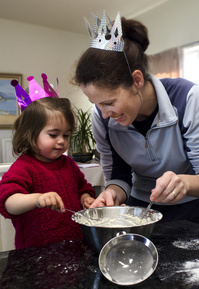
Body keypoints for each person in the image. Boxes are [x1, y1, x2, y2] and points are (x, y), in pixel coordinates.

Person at [72, 12, 199, 222]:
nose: (104, 114)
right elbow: (119, 178)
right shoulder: (102, 119)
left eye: (109, 102)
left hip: (191, 207)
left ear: (137, 80)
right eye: (96, 104)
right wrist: (112, 192)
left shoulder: (188, 99)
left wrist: (184, 183)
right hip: (139, 209)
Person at [0, 73, 95, 249]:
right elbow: (8, 202)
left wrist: (85, 198)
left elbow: (83, 187)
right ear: (30, 133)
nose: (61, 141)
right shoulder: (24, 167)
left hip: (74, 246)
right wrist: (37, 199)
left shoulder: (68, 164)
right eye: (53, 134)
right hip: (36, 253)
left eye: (66, 135)